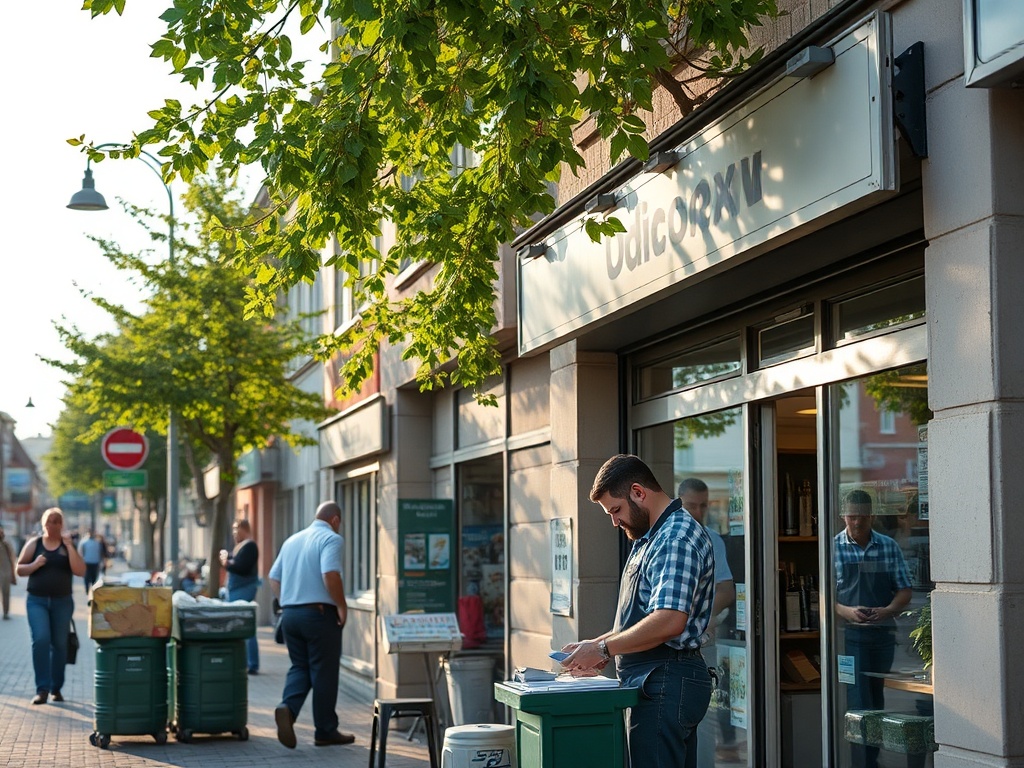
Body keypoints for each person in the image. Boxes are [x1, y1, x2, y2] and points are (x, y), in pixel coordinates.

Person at [563, 455, 717, 768]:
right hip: (653, 681)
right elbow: (641, 619)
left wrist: (604, 647)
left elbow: (669, 620)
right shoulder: (650, 537)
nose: (615, 522)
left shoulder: (675, 538)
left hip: (666, 681)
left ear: (638, 492)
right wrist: (594, 648)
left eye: (616, 510)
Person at [834, 489, 912, 768]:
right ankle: (860, 762)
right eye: (852, 517)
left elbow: (904, 590)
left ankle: (872, 760)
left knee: (876, 701)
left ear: (872, 516)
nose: (857, 523)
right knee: (858, 702)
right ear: (843, 515)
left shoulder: (888, 546)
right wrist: (845, 611)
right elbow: (824, 598)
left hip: (882, 636)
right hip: (849, 638)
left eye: (863, 518)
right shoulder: (832, 548)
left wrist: (888, 610)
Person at [268, 500, 355, 748]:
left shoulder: (292, 540)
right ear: (335, 520)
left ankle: (288, 708)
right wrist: (341, 605)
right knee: (324, 672)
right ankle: (326, 730)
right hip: (318, 615)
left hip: (291, 616)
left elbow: (273, 577)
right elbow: (330, 574)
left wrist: (287, 600)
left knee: (300, 666)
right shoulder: (331, 539)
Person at [678, 478, 738, 766]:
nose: (698, 512)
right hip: (668, 645)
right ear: (679, 503)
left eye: (703, 506)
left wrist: (706, 615)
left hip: (704, 641)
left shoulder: (713, 539)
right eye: (692, 506)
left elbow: (727, 590)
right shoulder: (664, 538)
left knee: (705, 717)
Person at [16, 508, 86, 704]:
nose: (52, 525)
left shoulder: (67, 546)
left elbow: (80, 571)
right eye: (49, 521)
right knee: (40, 640)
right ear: (43, 523)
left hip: (62, 602)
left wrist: (70, 547)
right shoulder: (34, 544)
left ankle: (56, 688)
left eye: (56, 521)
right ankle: (42, 689)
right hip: (36, 601)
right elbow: (19, 569)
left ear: (61, 525)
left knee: (60, 644)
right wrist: (35, 565)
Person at [220, 518, 260, 674]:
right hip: (236, 590)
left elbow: (242, 566)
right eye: (233, 529)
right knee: (240, 626)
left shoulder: (249, 546)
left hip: (243, 590)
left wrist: (227, 563)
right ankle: (245, 661)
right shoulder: (241, 546)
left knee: (245, 625)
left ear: (245, 529)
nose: (234, 532)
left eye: (237, 529)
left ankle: (252, 663)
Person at [77, 530, 104, 595]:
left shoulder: (84, 542)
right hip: (94, 562)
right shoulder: (97, 543)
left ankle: (88, 591)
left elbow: (80, 553)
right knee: (93, 577)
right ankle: (93, 590)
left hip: (87, 562)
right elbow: (100, 553)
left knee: (87, 577)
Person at [0, 524, 17, 619]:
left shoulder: (6, 544)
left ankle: (6, 612)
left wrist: (13, 574)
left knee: (6, 593)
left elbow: (12, 558)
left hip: (5, 572)